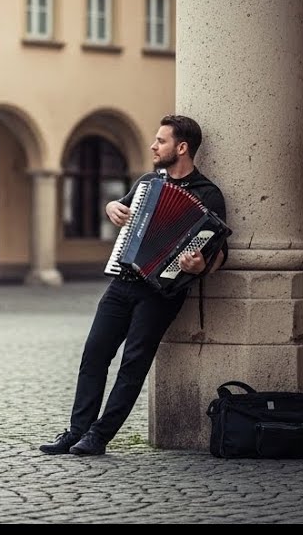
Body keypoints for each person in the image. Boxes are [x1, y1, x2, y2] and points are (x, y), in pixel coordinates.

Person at [40, 114, 229, 456]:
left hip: (161, 292)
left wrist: (200, 265)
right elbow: (121, 208)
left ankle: (99, 436)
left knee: (133, 364)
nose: (153, 146)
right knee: (94, 354)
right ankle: (77, 430)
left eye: (161, 141)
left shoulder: (209, 195)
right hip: (123, 282)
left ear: (182, 147)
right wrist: (111, 205)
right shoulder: (147, 183)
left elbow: (218, 254)